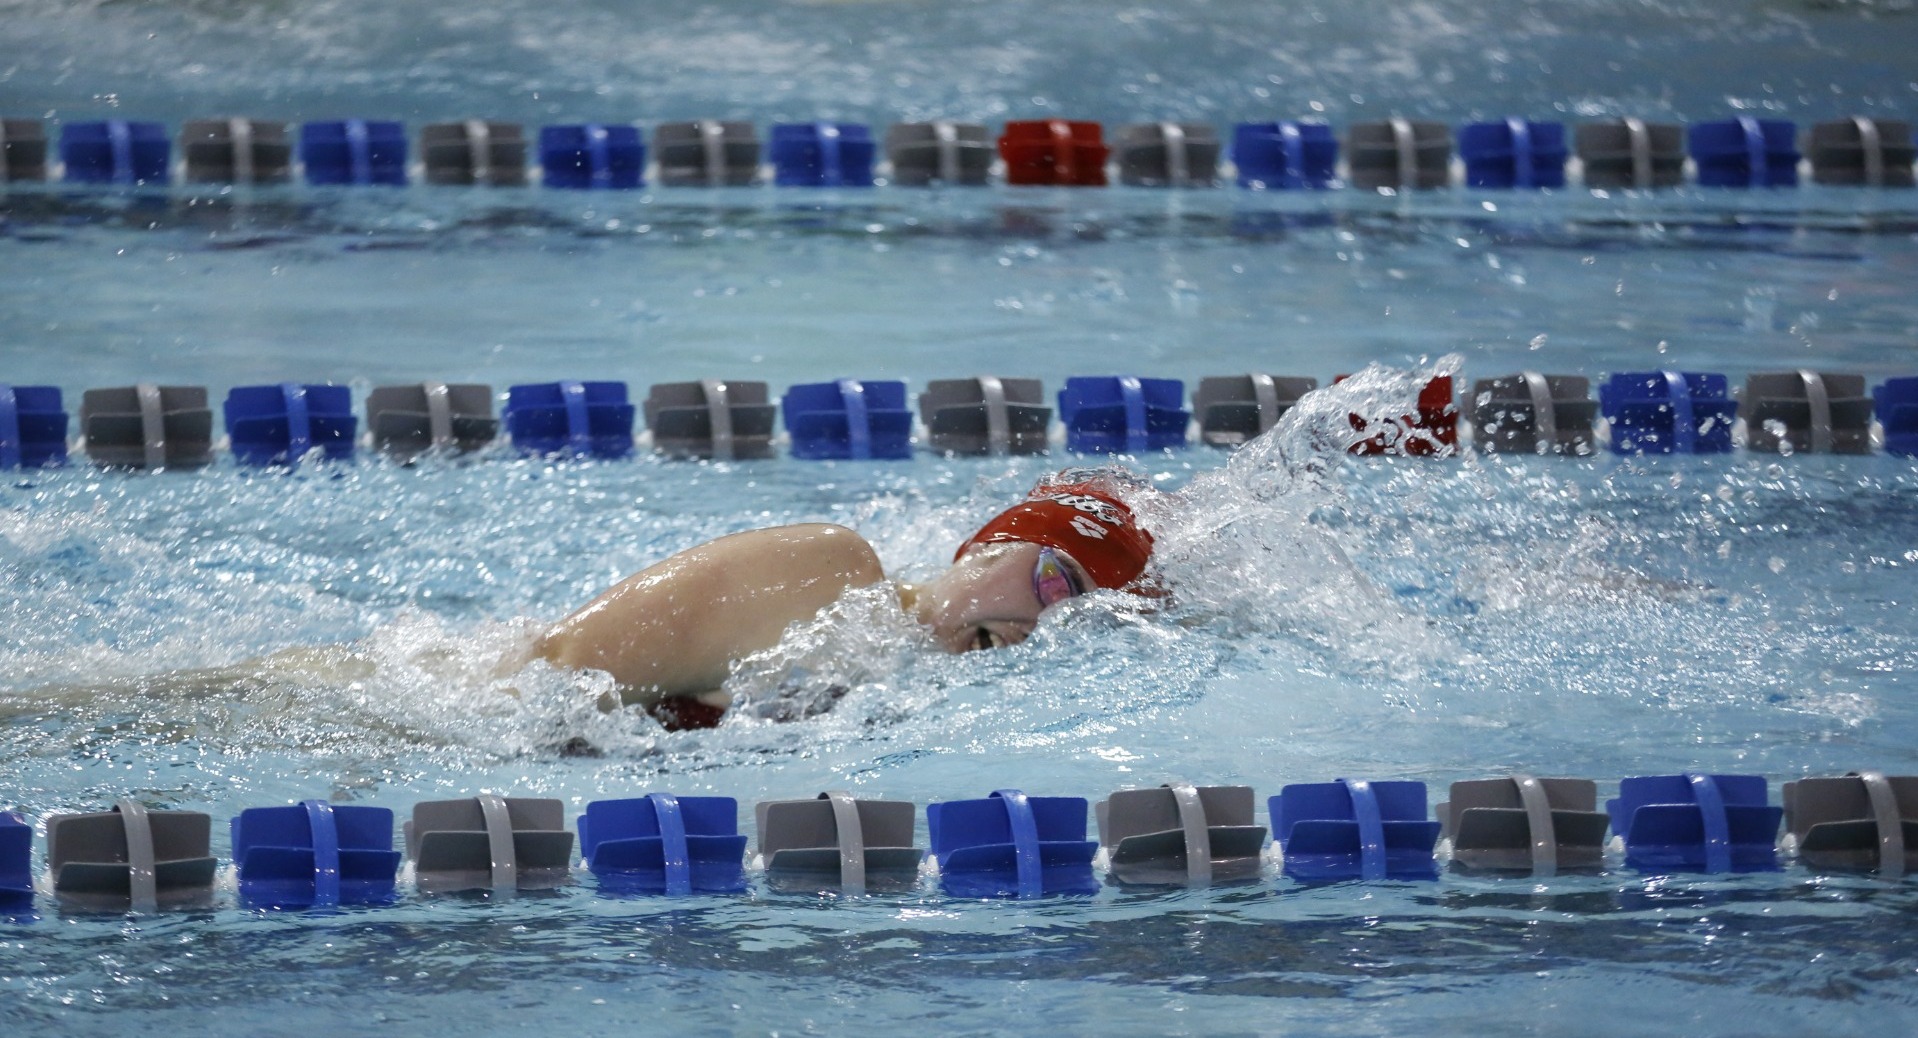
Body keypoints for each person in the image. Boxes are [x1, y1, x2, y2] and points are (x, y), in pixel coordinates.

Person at [533, 469, 1161, 729]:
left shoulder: (918, 703)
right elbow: (537, 681)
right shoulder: (828, 574)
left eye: (1086, 626)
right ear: (985, 547)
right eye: (1059, 584)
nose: (1048, 627)